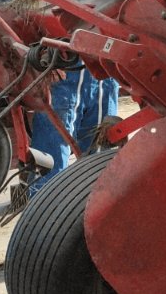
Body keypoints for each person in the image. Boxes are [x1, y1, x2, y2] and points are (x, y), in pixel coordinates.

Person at [27, 64, 119, 196]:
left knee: (98, 160)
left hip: (105, 74)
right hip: (62, 71)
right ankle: (41, 208)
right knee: (50, 159)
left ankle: (89, 209)